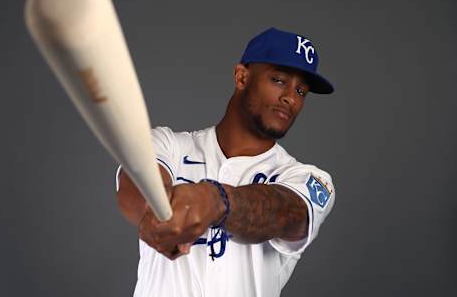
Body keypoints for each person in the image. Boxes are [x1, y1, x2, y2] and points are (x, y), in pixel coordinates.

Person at [115, 27, 335, 297]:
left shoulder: (308, 179)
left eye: (301, 91)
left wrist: (215, 200)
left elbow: (288, 215)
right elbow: (134, 190)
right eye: (278, 80)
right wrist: (157, 211)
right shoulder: (167, 144)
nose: (291, 97)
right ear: (241, 77)